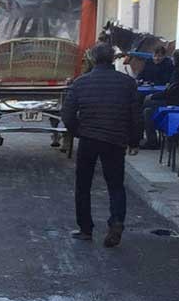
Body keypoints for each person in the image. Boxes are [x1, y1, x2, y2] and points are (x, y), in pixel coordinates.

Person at [61, 42, 145, 247]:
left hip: (89, 138)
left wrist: (77, 131)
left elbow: (67, 114)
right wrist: (134, 140)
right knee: (115, 185)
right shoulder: (127, 83)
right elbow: (136, 115)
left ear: (92, 59)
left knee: (83, 185)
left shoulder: (81, 83)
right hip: (115, 140)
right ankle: (116, 222)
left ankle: (85, 229)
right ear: (113, 59)